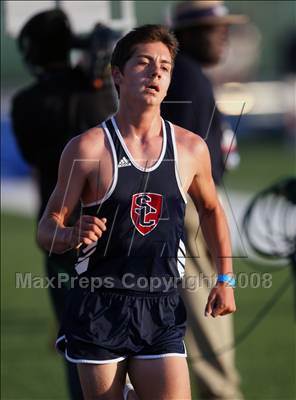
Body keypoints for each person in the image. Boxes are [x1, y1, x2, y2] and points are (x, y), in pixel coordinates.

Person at [37, 24, 237, 400]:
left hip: (161, 304)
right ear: (117, 74)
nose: (155, 72)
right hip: (99, 305)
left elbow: (212, 210)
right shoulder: (88, 148)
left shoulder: (191, 149)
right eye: (144, 63)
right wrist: (69, 234)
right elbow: (47, 229)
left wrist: (225, 279)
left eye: (164, 66)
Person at [11, 9, 117, 400]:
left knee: (76, 340)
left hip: (60, 232)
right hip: (114, 227)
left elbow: (29, 157)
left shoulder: (26, 103)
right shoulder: (98, 89)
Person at [161, 1, 247, 398]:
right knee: (213, 352)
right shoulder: (188, 78)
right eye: (217, 29)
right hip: (191, 217)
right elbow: (182, 165)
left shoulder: (190, 76)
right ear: (190, 34)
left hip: (186, 216)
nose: (224, 36)